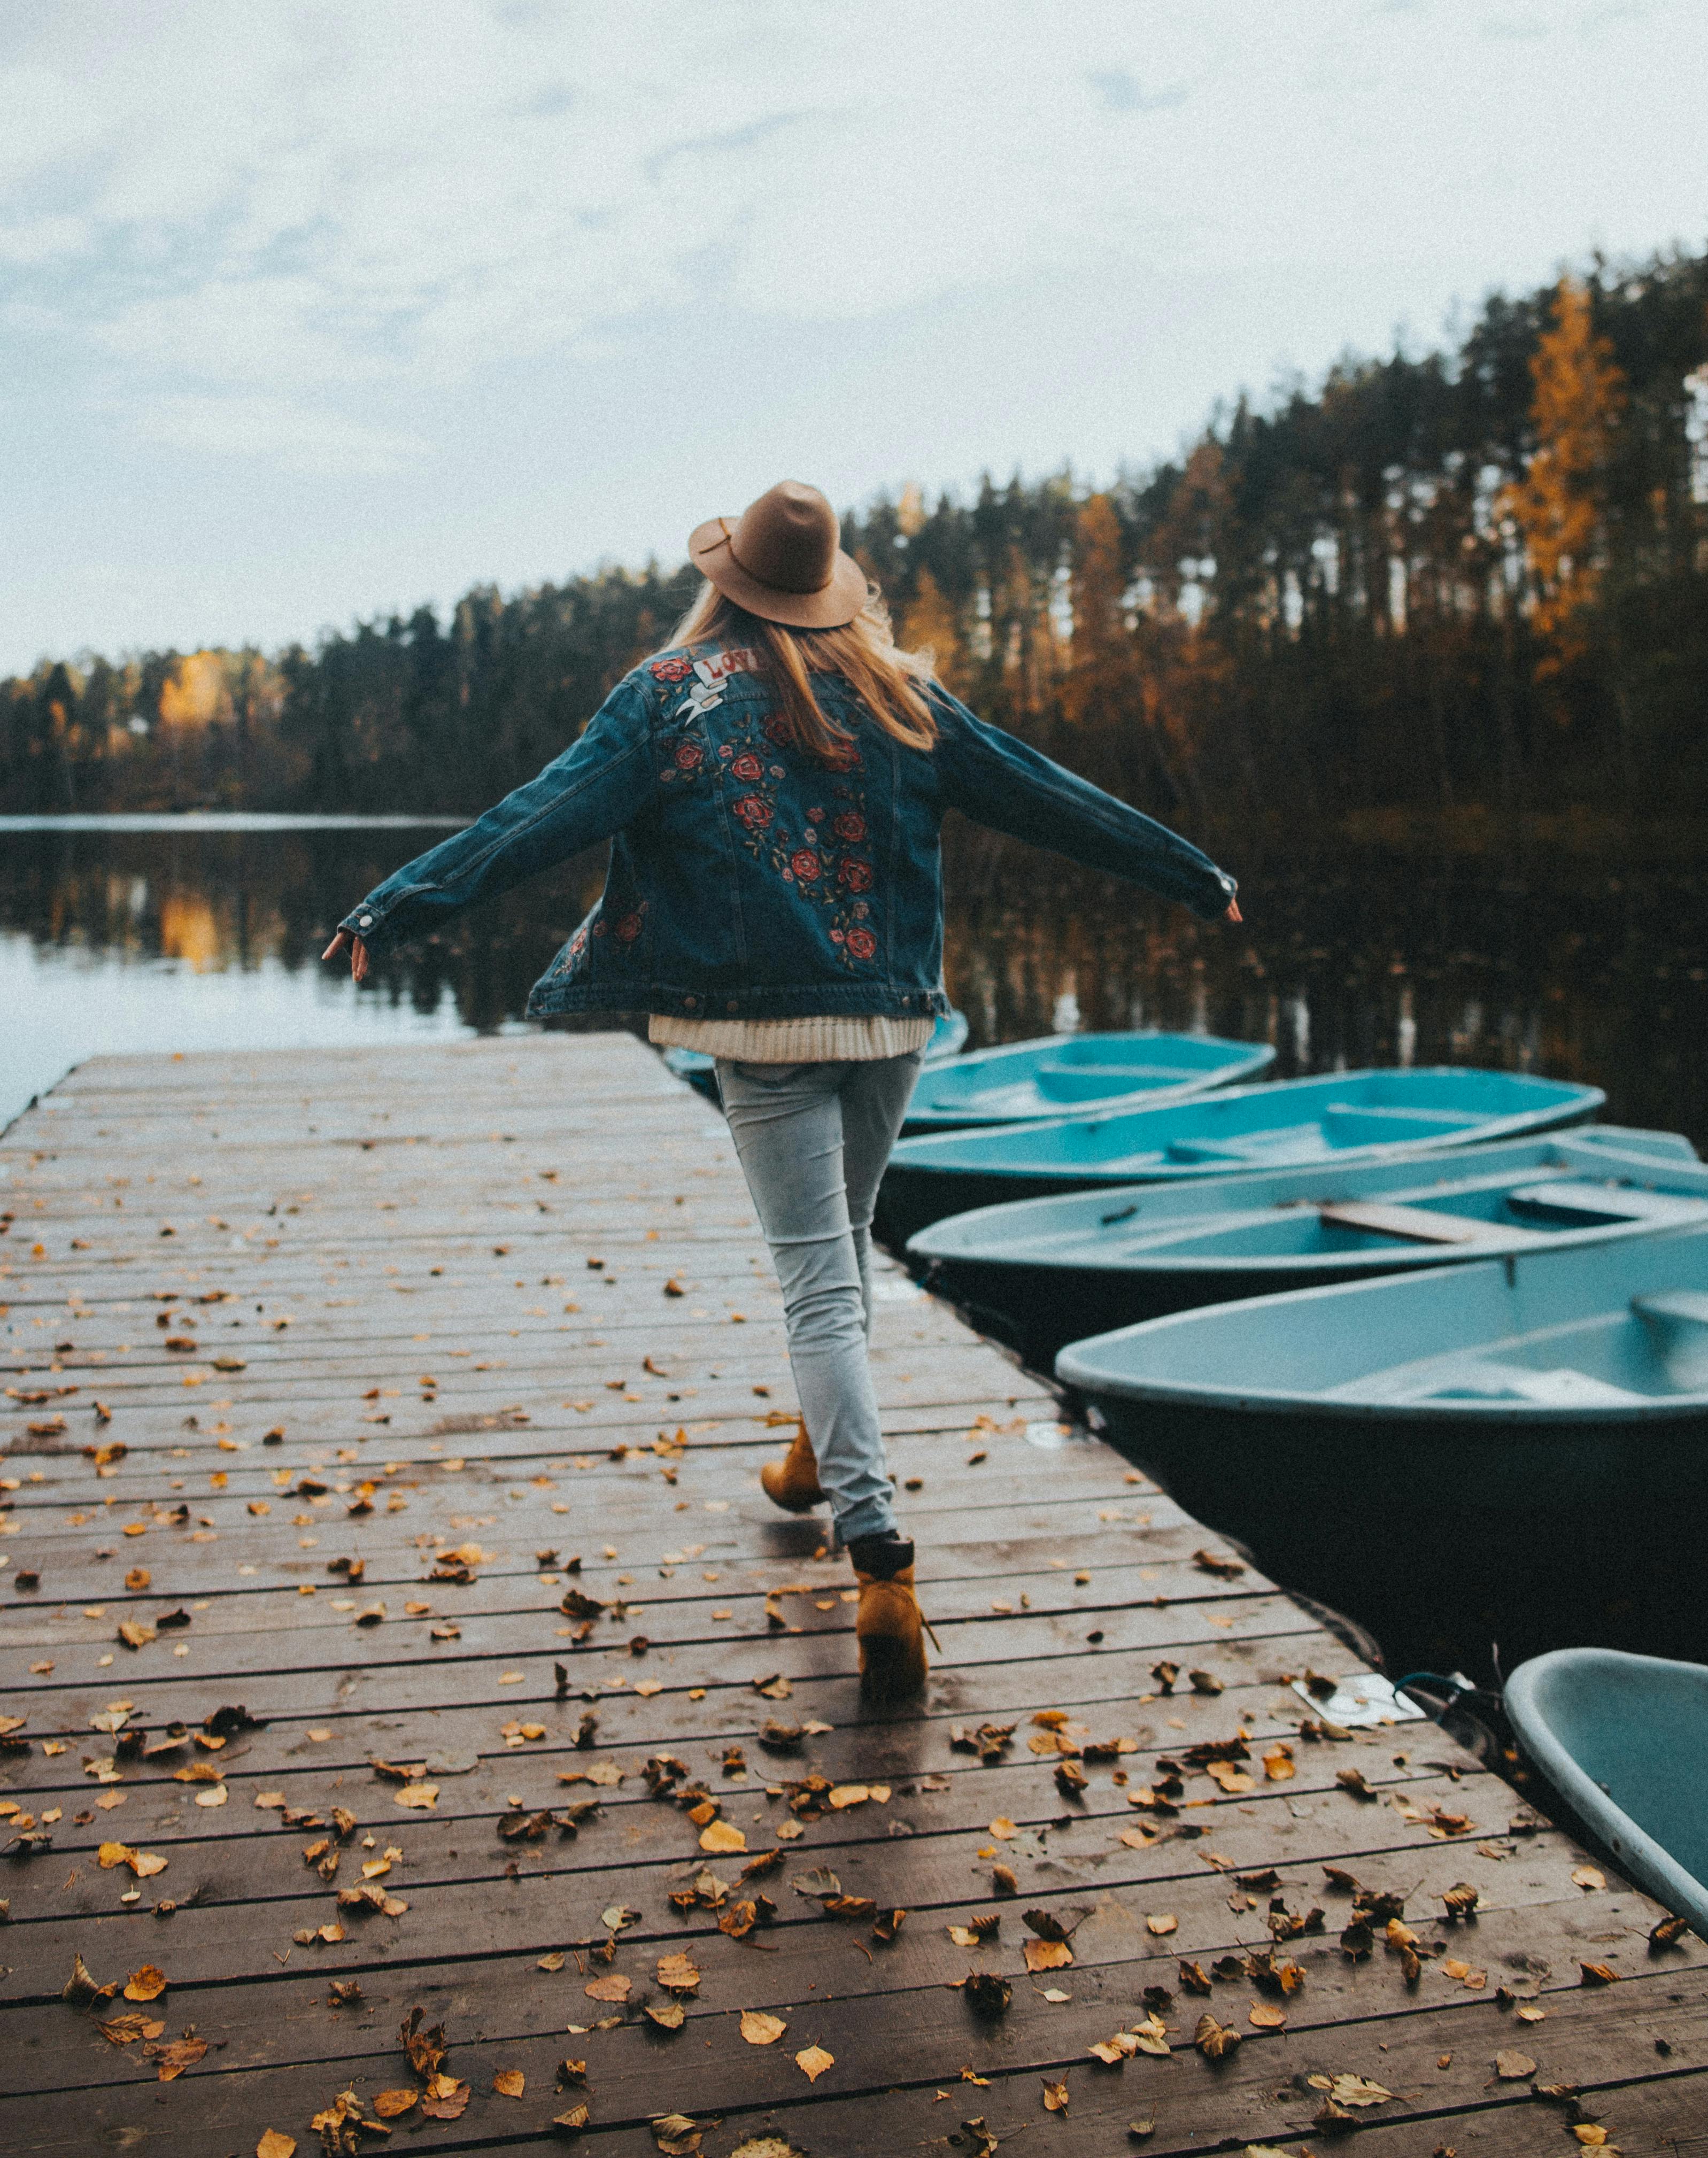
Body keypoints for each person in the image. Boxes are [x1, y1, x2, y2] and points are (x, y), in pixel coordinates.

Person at [324, 479, 1240, 1703]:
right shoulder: (903, 696)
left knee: (817, 1281)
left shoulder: (664, 698)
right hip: (892, 1022)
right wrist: (1192, 873)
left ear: (725, 584)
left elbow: (537, 816)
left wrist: (401, 904)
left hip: (760, 1034)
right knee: (842, 1250)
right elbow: (1047, 795)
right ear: (831, 591)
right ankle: (816, 1452)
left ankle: (880, 1557)